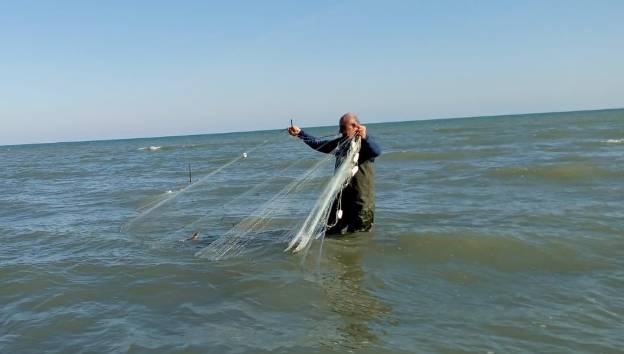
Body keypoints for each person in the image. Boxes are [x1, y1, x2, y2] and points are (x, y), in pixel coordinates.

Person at [287, 112, 381, 235]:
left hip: (361, 203)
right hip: (341, 199)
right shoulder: (341, 143)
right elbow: (319, 144)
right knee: (330, 232)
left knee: (357, 238)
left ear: (355, 126)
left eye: (343, 127)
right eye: (340, 127)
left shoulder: (365, 144)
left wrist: (365, 137)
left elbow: (376, 151)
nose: (340, 130)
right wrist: (300, 133)